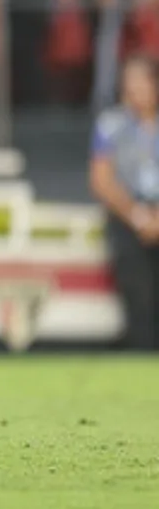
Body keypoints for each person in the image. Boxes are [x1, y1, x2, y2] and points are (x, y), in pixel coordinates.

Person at [89, 55, 159, 351]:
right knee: (138, 303)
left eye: (140, 82)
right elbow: (101, 179)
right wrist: (139, 217)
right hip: (129, 221)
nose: (133, 89)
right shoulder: (112, 125)